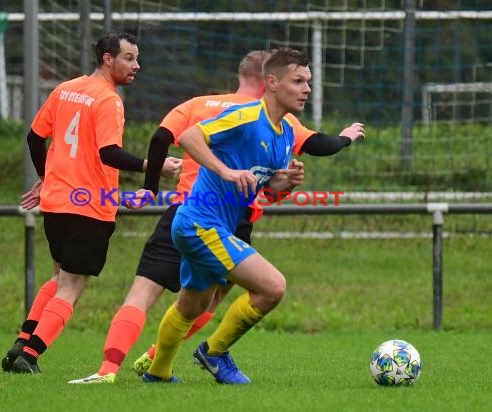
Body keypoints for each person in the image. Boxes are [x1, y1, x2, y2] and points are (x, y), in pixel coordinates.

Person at [68, 50, 365, 384]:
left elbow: (265, 193)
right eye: (298, 81)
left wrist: (287, 183)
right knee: (272, 288)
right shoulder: (247, 116)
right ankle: (213, 353)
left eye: (308, 82)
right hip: (199, 224)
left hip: (211, 226)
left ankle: (158, 372)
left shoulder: (284, 133)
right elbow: (190, 137)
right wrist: (225, 171)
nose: (306, 89)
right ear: (271, 82)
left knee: (192, 307)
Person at [0, 30, 180, 374]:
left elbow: (35, 137)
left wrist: (47, 177)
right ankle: (31, 355)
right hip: (90, 204)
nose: (136, 65)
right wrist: (151, 166)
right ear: (107, 58)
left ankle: (23, 341)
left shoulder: (65, 89)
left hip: (56, 203)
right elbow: (109, 153)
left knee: (58, 277)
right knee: (72, 285)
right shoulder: (108, 100)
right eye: (129, 58)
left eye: (137, 58)